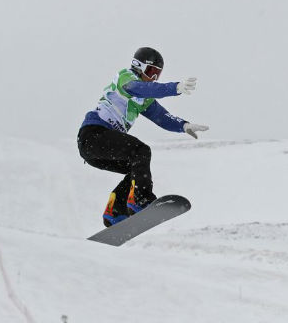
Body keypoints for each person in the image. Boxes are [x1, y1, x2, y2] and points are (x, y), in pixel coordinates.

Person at [77, 47, 209, 227]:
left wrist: (183, 125)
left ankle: (114, 212)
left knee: (136, 168)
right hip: (93, 135)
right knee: (141, 151)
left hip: (96, 152)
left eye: (157, 75)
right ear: (138, 66)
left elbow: (161, 116)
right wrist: (175, 87)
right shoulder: (126, 79)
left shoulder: (143, 99)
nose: (153, 78)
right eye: (151, 72)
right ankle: (140, 199)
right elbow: (141, 88)